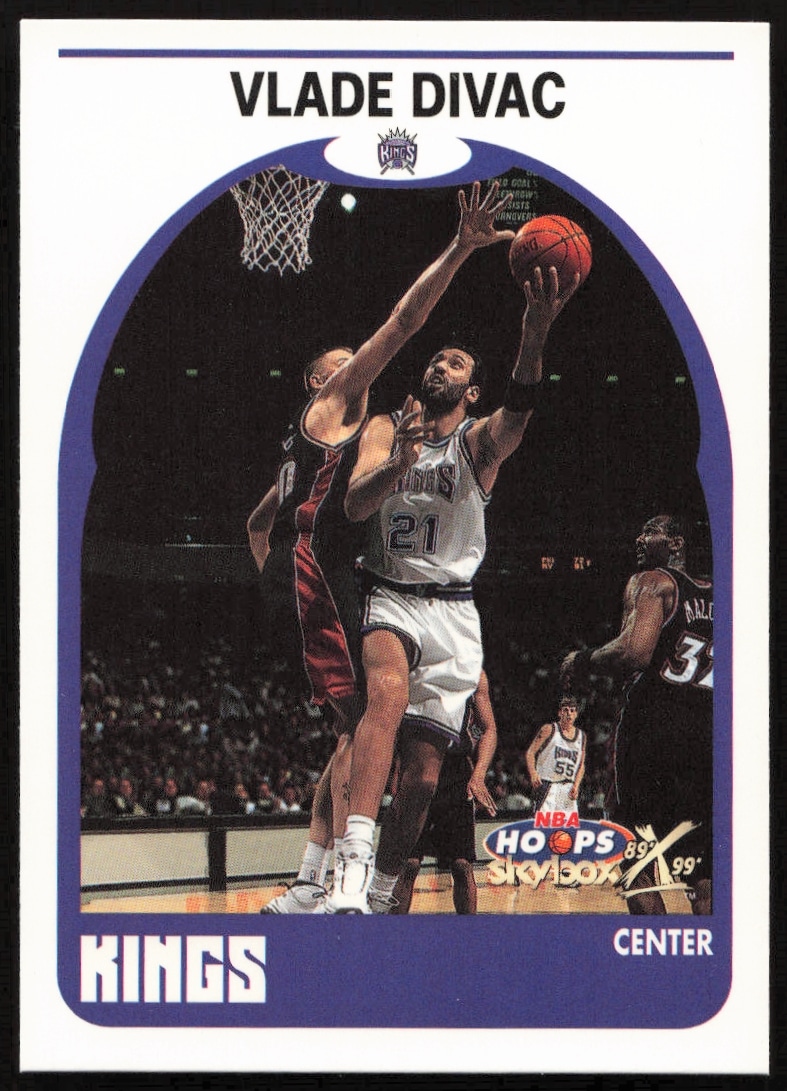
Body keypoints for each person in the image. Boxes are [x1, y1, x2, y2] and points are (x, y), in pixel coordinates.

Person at [251, 182, 516, 913]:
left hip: (312, 573)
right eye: (345, 364)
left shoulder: (338, 436)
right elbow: (404, 321)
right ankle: (341, 877)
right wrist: (459, 249)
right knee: (374, 716)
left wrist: (275, 577)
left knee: (353, 733)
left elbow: (256, 521)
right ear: (322, 381)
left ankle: (312, 880)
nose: (360, 370)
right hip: (328, 573)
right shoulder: (336, 407)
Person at [325, 260, 580, 913]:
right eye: (435, 358)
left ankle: (385, 880)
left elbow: (519, 408)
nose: (439, 365)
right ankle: (352, 858)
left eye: (455, 363)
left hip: (454, 613)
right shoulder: (385, 426)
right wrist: (398, 464)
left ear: (472, 390)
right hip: (389, 591)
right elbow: (353, 505)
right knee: (386, 693)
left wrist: (534, 329)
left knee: (423, 777)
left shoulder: (476, 444)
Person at [560, 514, 713, 915]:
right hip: (708, 734)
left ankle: (657, 954)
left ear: (676, 542)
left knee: (632, 860)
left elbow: (635, 652)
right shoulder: (721, 595)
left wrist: (583, 659)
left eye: (650, 531)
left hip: (653, 729)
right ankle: (707, 949)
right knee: (705, 874)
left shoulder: (653, 581)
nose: (639, 539)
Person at [388, 669, 498, 915]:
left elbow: (489, 729)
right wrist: (396, 771)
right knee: (408, 863)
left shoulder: (474, 673)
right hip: (417, 764)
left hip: (456, 772)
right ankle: (393, 931)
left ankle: (468, 932)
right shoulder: (414, 665)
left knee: (461, 864)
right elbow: (395, 726)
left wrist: (479, 775)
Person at [525, 695, 586, 817]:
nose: (569, 714)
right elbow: (530, 752)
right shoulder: (549, 729)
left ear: (576, 714)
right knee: (542, 826)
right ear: (559, 713)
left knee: (569, 828)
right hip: (548, 785)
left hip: (568, 788)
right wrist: (533, 773)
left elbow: (581, 765)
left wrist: (576, 785)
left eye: (572, 711)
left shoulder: (581, 736)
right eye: (565, 710)